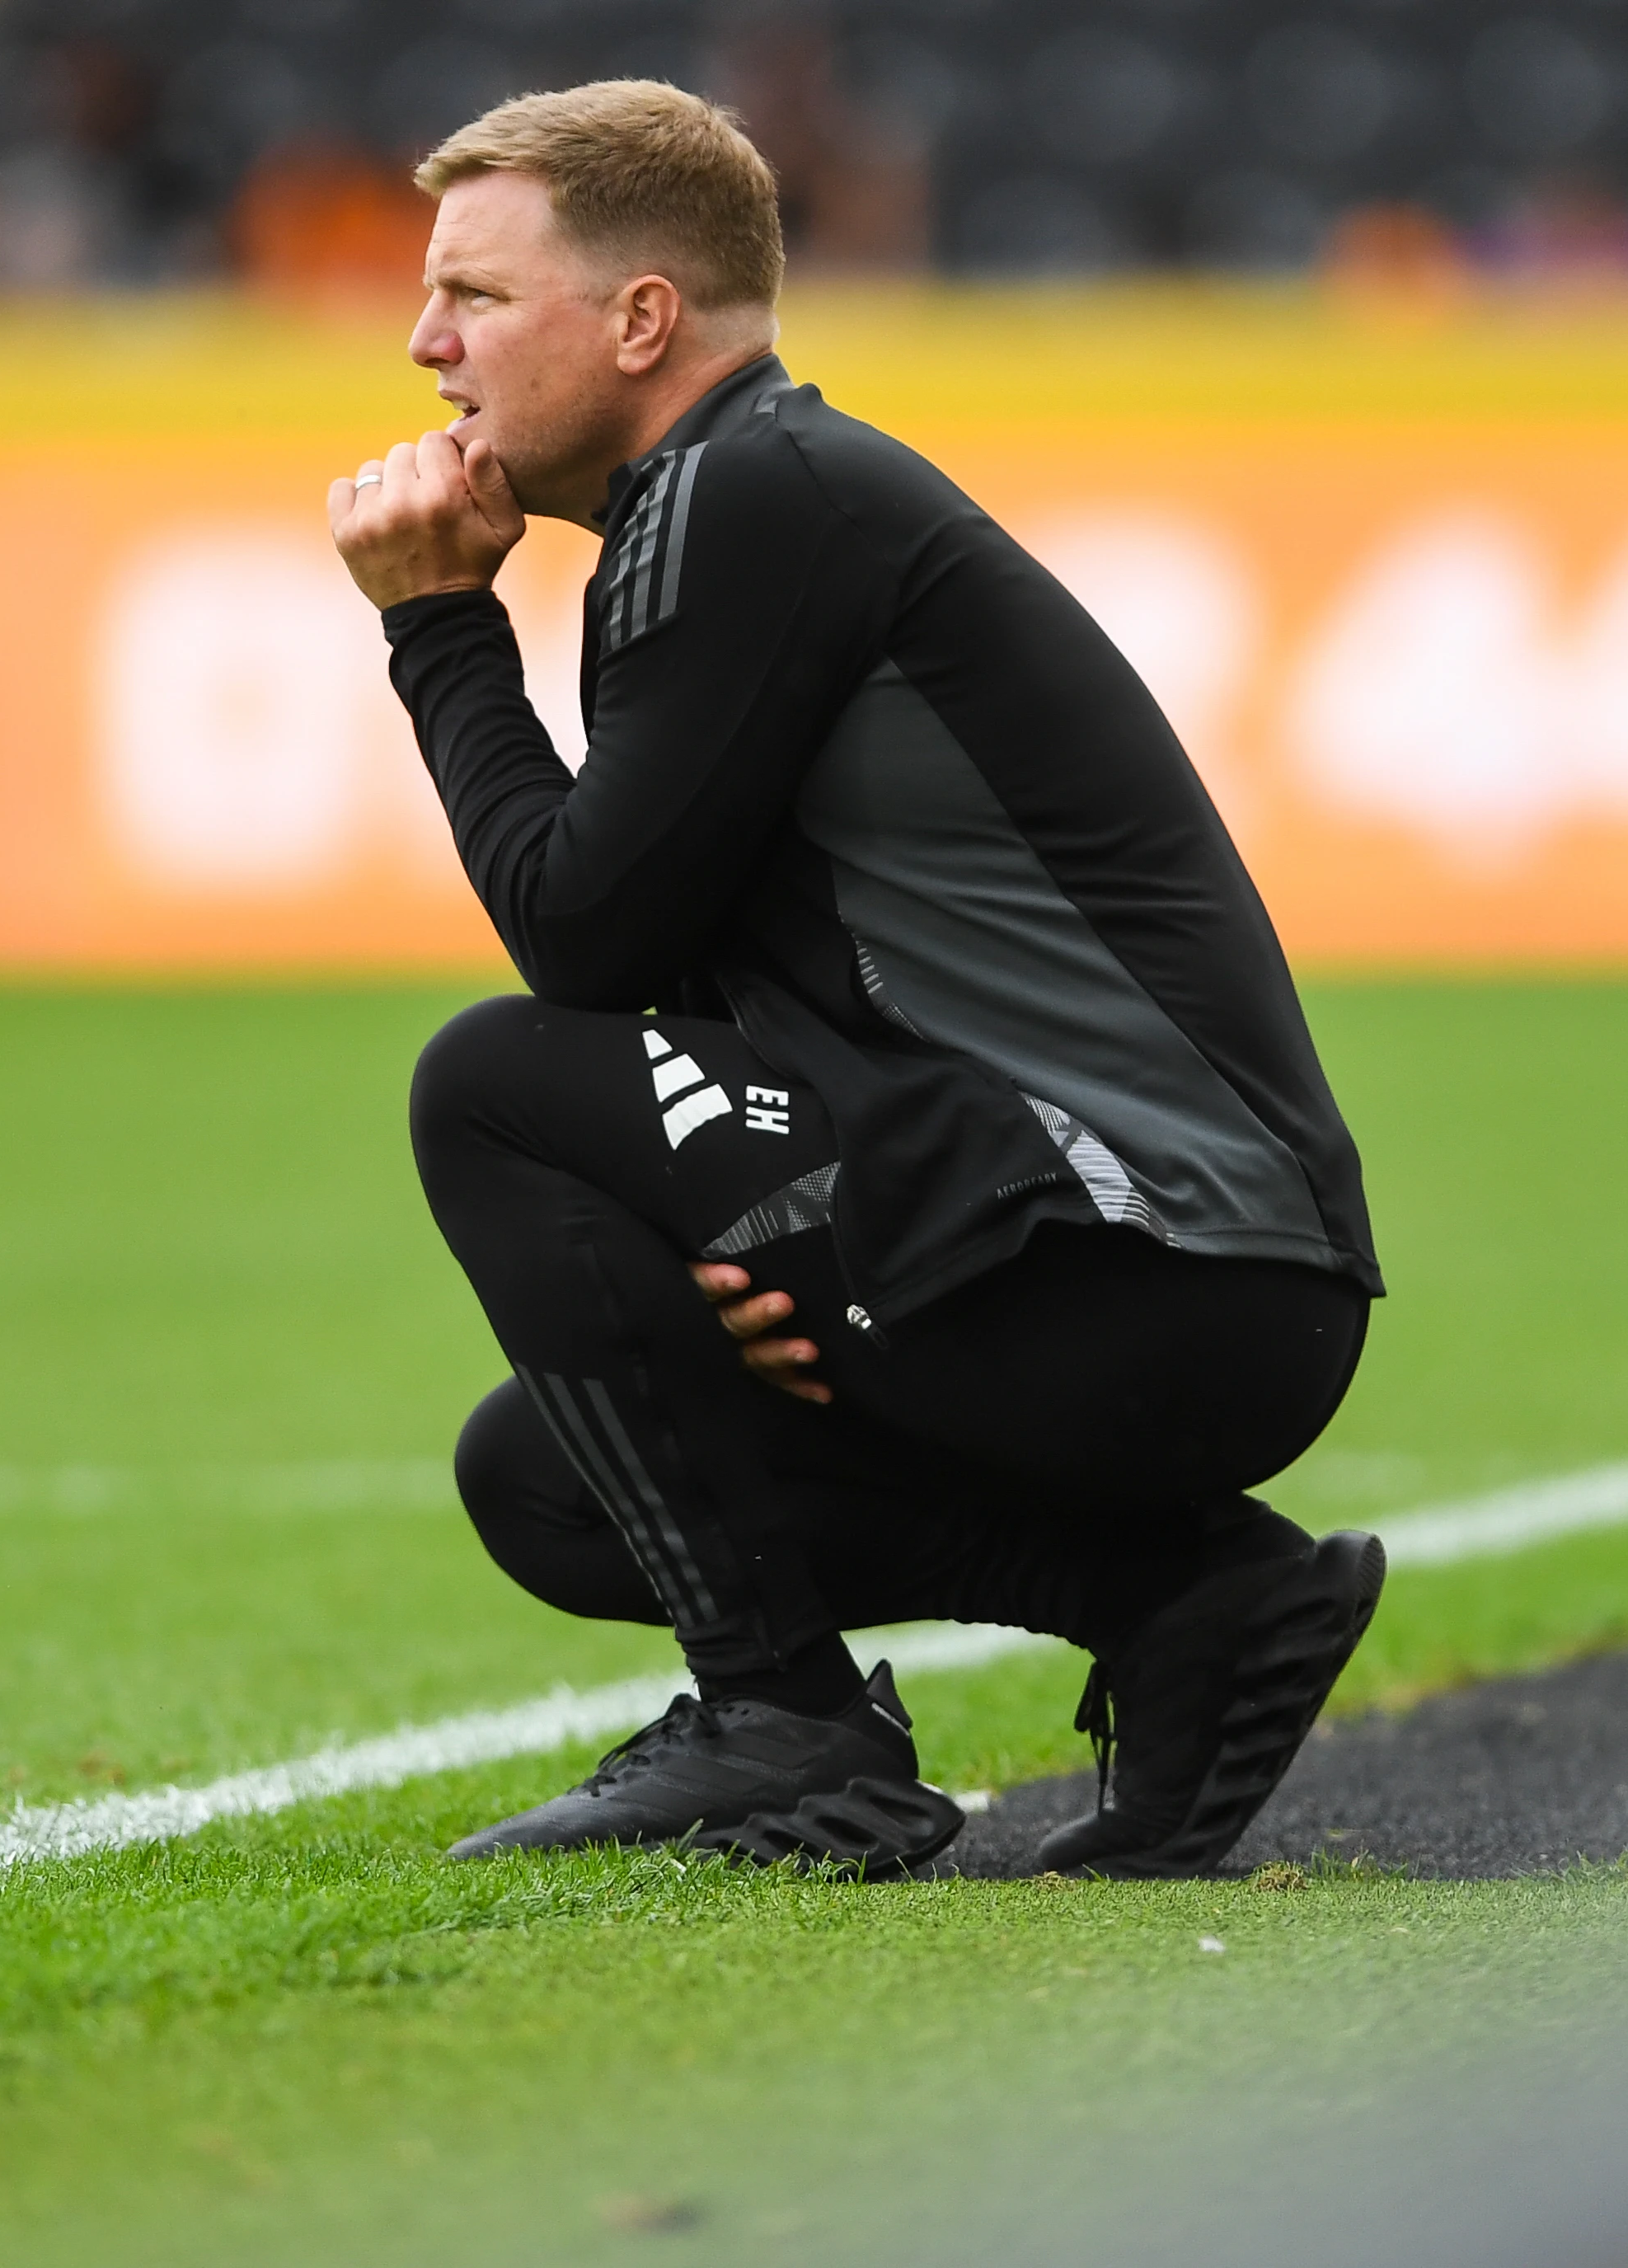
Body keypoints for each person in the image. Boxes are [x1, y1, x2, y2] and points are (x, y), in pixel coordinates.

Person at [326, 82, 1385, 1879]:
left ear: (642, 317)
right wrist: (733, 1231)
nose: (426, 346)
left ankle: (782, 1723)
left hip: (1149, 1265)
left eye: (476, 298)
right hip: (1165, 1275)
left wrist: (433, 624)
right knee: (555, 1473)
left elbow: (579, 943)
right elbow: (698, 959)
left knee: (486, 1084)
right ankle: (1187, 1600)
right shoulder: (741, 502)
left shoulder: (753, 495)